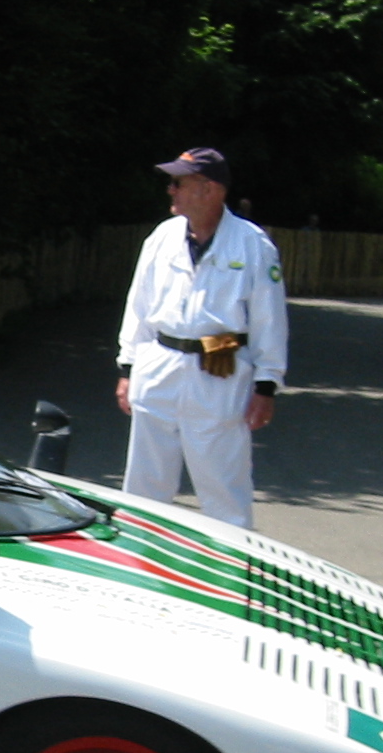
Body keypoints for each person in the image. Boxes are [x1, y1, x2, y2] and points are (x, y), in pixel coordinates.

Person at [114, 147, 287, 530]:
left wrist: (266, 385)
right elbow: (138, 305)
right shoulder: (162, 237)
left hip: (219, 367)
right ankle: (140, 557)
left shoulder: (252, 244)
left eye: (179, 183)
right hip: (159, 363)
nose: (170, 190)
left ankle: (232, 568)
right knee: (145, 480)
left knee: (222, 481)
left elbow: (269, 318)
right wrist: (128, 367)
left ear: (209, 190)